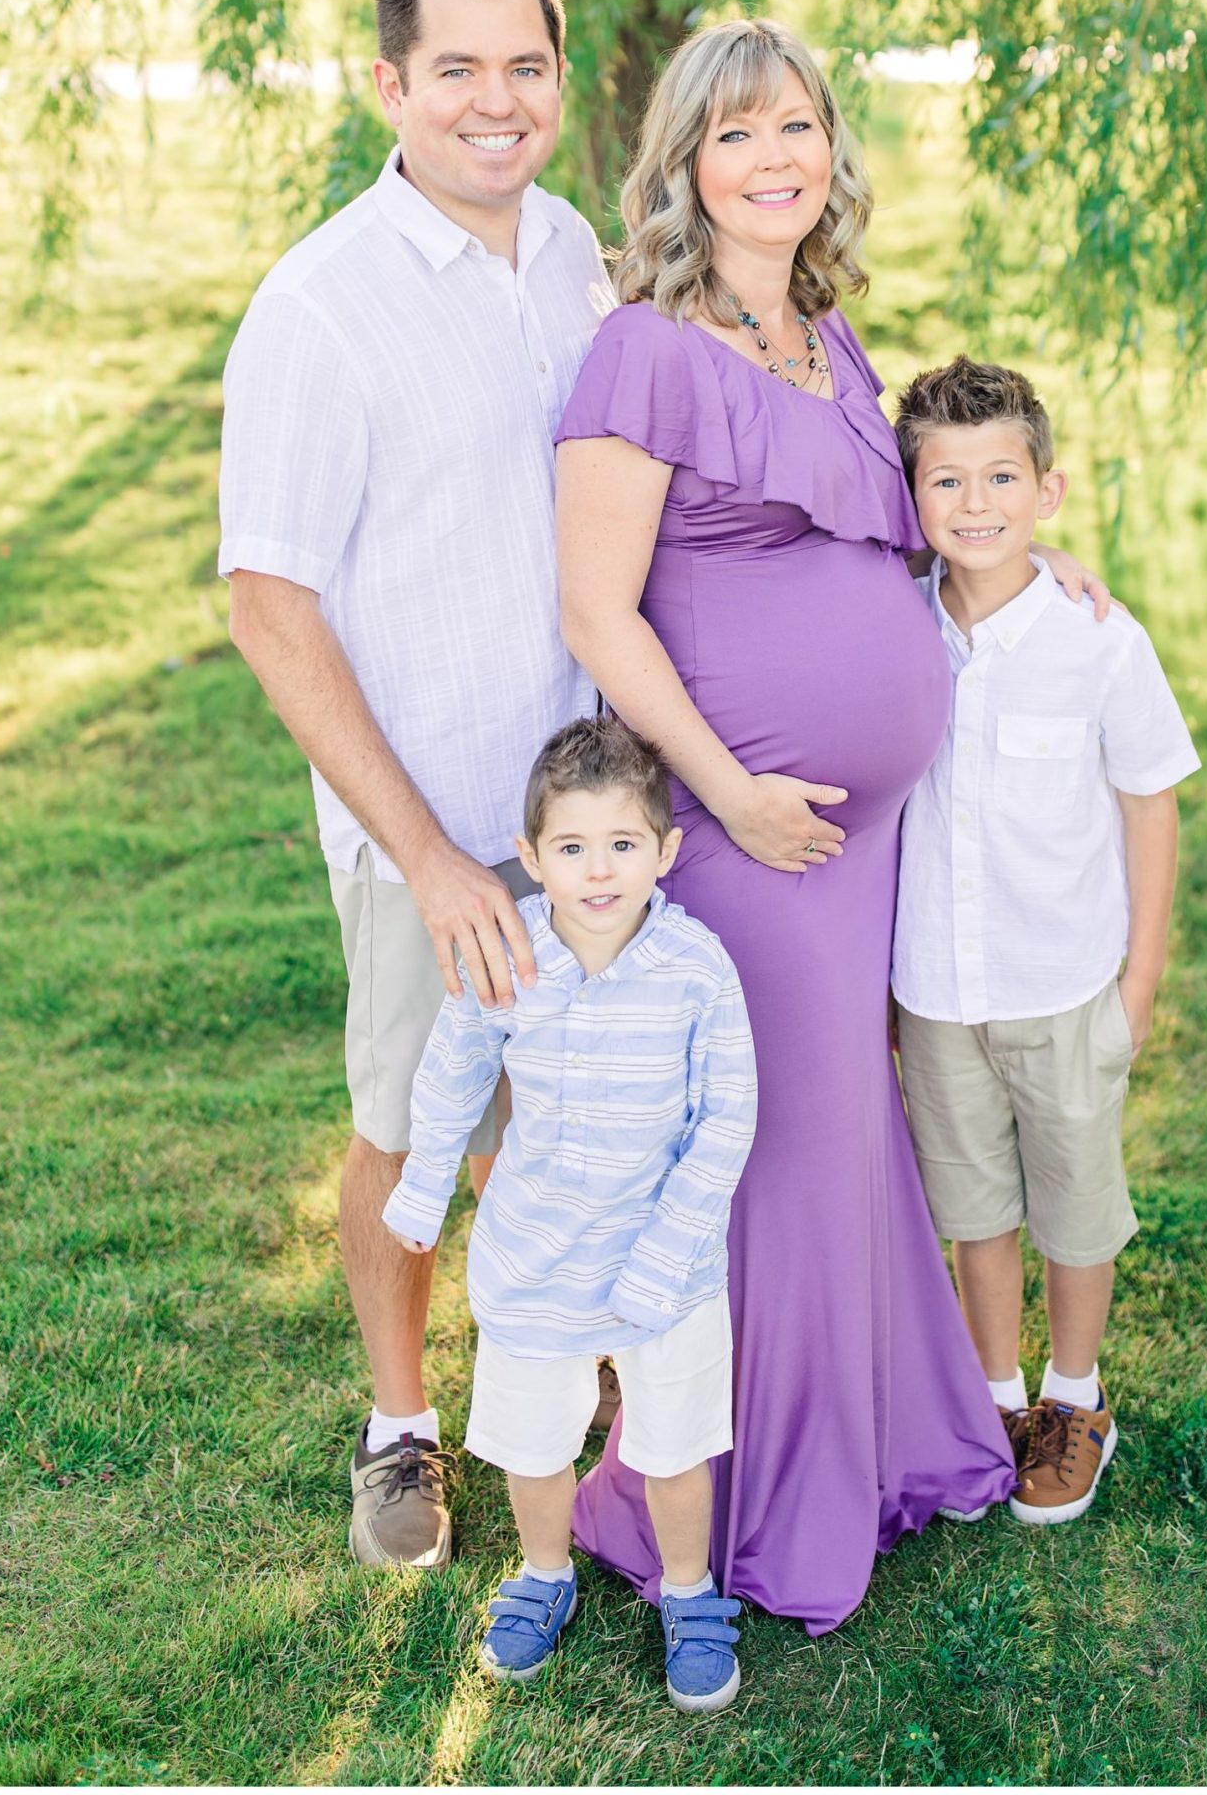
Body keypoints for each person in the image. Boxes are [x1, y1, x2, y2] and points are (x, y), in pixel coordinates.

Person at [552, 17, 1110, 1636]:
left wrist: (1035, 574)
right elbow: (598, 611)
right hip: (742, 826)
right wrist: (724, 790)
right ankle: (749, 1498)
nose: (774, 157)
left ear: (828, 147)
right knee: (774, 1147)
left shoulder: (833, 338)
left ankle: (874, 1442)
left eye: (795, 125)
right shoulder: (642, 349)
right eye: (735, 135)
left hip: (854, 839)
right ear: (683, 165)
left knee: (842, 1136)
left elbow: (910, 537)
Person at [218, 0, 613, 1571]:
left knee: (569, 1117)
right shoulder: (319, 308)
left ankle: (555, 1387)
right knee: (409, 1138)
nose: (493, 100)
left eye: (523, 66)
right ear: (390, 86)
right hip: (423, 827)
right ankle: (397, 1429)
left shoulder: (576, 252)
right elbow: (266, 605)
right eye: (455, 68)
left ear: (558, 84)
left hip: (586, 813)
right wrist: (434, 855)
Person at [383, 716, 757, 1714]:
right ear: (531, 856)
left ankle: (688, 1592)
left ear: (664, 851)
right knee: (536, 1439)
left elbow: (726, 1117)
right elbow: (457, 1061)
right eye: (572, 848)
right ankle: (543, 1572)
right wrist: (424, 1181)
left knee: (674, 1441)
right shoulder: (513, 952)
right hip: (535, 1250)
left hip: (662, 1265)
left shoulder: (695, 967)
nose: (598, 870)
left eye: (623, 844)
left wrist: (664, 1253)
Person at [891, 356, 1200, 1523]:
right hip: (932, 986)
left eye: (1000, 478)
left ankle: (1075, 1398)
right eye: (945, 483)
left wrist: (1140, 979)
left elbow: (1148, 799)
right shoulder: (897, 626)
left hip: (1063, 981)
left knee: (1073, 1199)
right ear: (911, 500)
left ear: (1048, 489)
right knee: (973, 1205)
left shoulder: (1097, 640)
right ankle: (994, 1395)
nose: (975, 505)